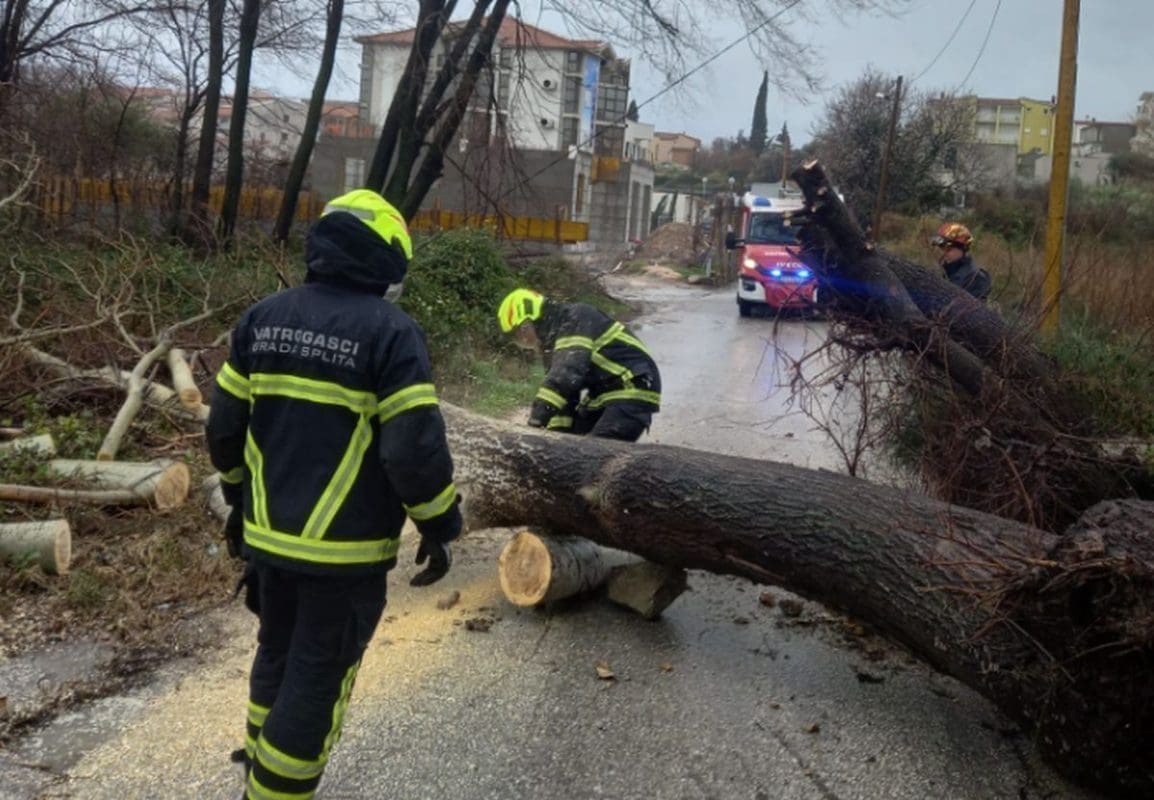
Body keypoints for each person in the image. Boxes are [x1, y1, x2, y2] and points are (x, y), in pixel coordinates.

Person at [206, 189, 462, 800]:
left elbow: (222, 431)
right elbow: (411, 450)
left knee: (277, 653)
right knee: (317, 679)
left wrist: (240, 505)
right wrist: (440, 524)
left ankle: (259, 765)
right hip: (343, 556)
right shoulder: (393, 334)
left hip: (268, 542)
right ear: (388, 261)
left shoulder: (261, 318)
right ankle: (274, 792)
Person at [497, 288, 661, 442]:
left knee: (595, 454)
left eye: (517, 335)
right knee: (576, 442)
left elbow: (565, 376)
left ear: (526, 325)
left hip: (632, 389)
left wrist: (535, 420)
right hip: (604, 395)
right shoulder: (553, 340)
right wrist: (554, 437)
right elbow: (564, 398)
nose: (520, 342)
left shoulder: (574, 319)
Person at [931, 221, 991, 302]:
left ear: (962, 249)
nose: (943, 253)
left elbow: (975, 310)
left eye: (948, 249)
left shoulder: (976, 277)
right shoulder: (942, 272)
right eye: (940, 249)